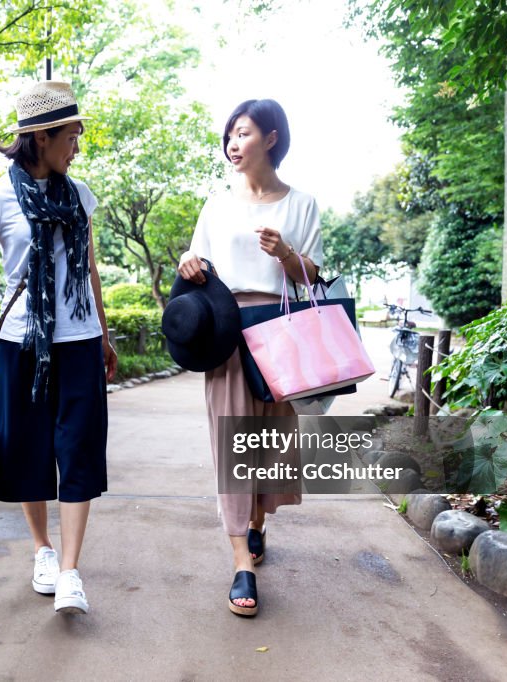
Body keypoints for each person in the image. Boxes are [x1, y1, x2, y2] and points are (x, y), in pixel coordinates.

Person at [0, 81, 118, 615]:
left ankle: (71, 570)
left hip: (79, 342)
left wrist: (106, 335)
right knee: (26, 450)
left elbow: (90, 268)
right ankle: (42, 551)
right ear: (43, 137)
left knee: (78, 450)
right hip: (20, 343)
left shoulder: (81, 196)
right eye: (71, 136)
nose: (76, 146)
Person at [176, 98, 323, 617]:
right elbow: (195, 263)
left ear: (272, 138)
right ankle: (241, 560)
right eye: (230, 135)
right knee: (233, 440)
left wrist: (285, 253)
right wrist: (189, 262)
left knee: (270, 439)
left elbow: (312, 278)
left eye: (243, 133)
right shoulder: (217, 204)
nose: (233, 144)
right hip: (224, 329)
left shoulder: (301, 204)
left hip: (280, 329)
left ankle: (258, 524)